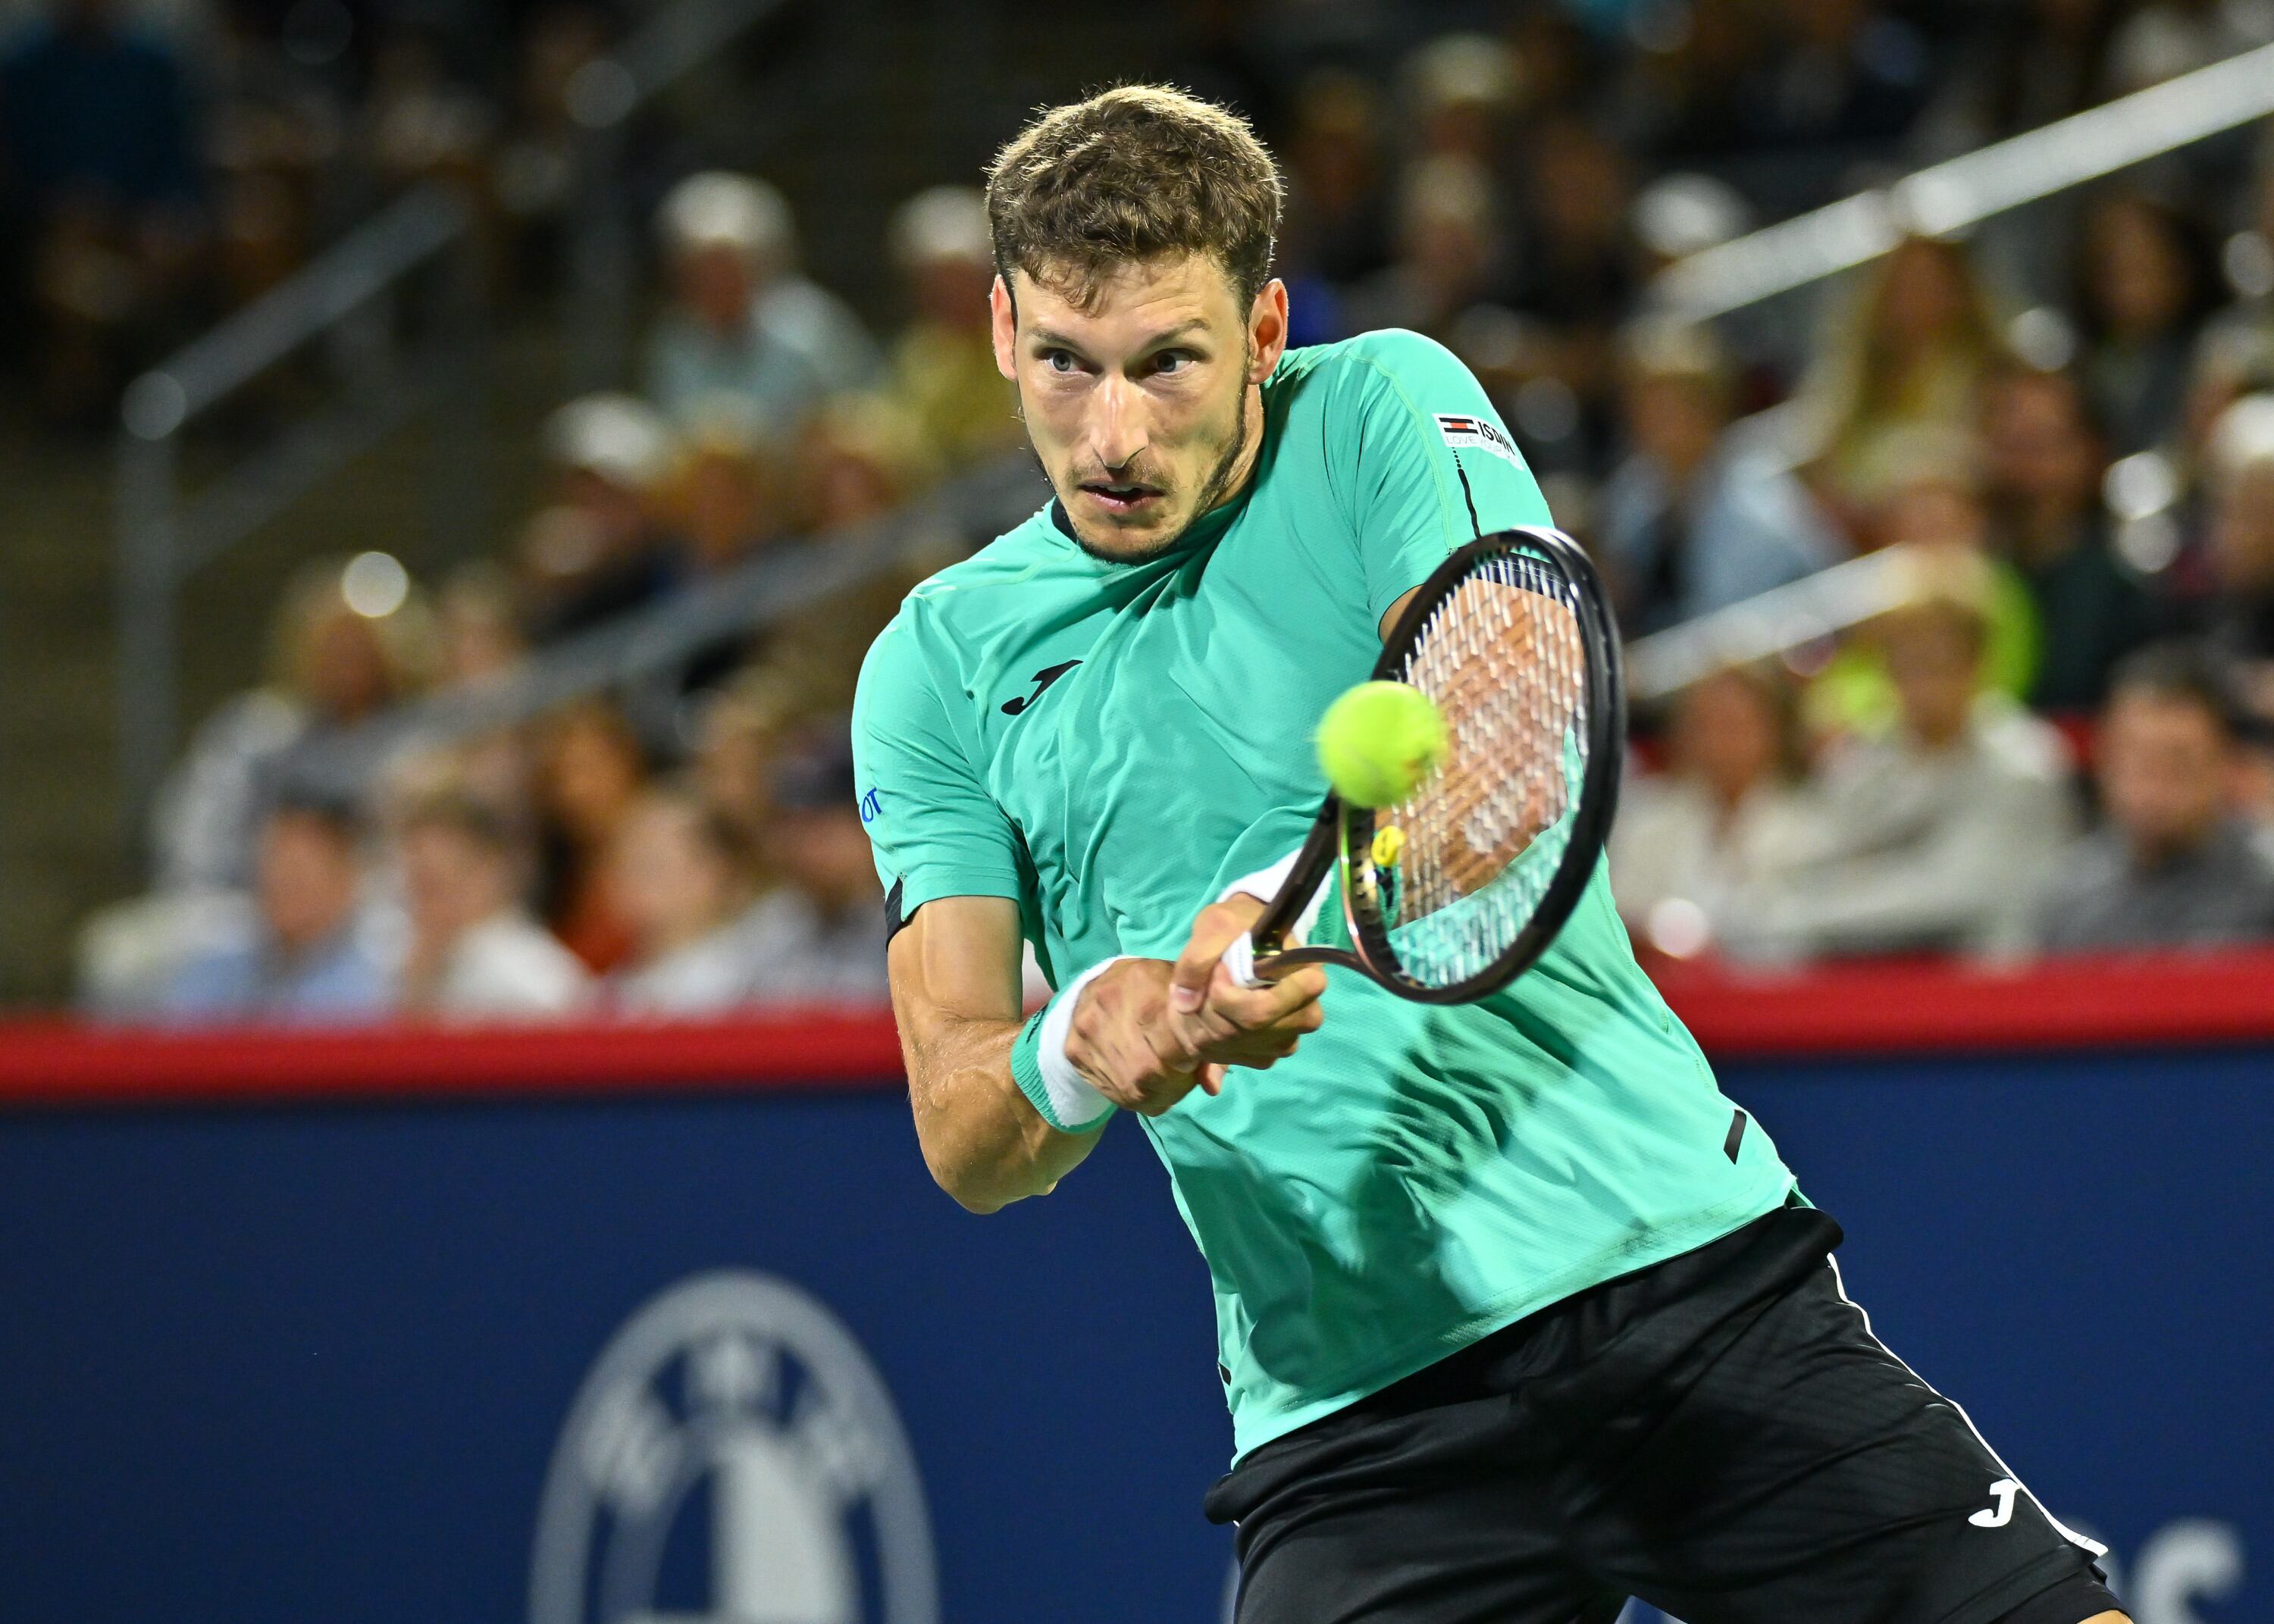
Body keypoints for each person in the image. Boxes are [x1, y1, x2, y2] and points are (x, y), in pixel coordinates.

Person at [853, 87, 2125, 1624]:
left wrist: (1269, 911)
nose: (1113, 433)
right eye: (1064, 363)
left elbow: (1503, 733)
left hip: (1672, 1275)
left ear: (1263, 332)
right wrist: (1081, 1039)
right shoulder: (933, 670)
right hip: (1351, 1419)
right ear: (999, 330)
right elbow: (963, 1126)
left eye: (1167, 364)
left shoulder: (1384, 401)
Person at [1728, 585, 2078, 960]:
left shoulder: (2025, 763)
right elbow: (1803, 865)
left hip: (1988, 985)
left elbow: (1960, 895)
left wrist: (1817, 908)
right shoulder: (1863, 761)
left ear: (1976, 665)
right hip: (1862, 971)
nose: (1919, 684)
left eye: (1934, 664)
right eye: (1903, 665)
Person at [1597, 318, 1845, 634]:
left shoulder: (1760, 511)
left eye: (1673, 409)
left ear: (1710, 410)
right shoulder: (1630, 494)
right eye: (1646, 409)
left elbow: (1730, 636)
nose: (1656, 425)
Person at [2034, 643, 2274, 951]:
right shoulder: (2067, 897)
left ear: (2224, 763)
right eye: (2138, 761)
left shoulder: (2265, 887)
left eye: (2178, 764)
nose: (2153, 787)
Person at [641, 171, 879, 435]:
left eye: (727, 266)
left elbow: (860, 422)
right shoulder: (672, 344)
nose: (715, 282)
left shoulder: (815, 329)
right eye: (702, 269)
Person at [1610, 663, 1816, 957]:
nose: (1719, 741)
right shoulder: (1646, 818)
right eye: (1705, 724)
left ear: (1774, 732)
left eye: (1735, 724)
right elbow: (1621, 912)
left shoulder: (1812, 823)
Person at [161, 793, 390, 1024]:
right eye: (276, 860)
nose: (282, 880)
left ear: (348, 877)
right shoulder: (213, 962)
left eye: (301, 869)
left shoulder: (381, 981)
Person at [390, 787, 590, 1019]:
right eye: (416, 884)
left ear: (489, 871)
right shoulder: (416, 963)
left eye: (435, 882)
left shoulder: (532, 975)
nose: (422, 901)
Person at [732, 727, 888, 1004]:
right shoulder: (771, 926)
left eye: (824, 830)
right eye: (795, 829)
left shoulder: (914, 921)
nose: (807, 848)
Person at [603, 781, 763, 1015]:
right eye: (622, 861)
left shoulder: (744, 984)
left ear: (710, 873)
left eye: (651, 864)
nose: (626, 878)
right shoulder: (616, 984)